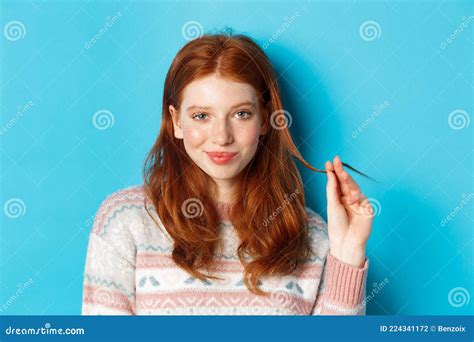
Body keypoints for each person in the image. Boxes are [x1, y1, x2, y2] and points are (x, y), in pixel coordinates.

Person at [81, 32, 375, 315]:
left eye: (241, 114)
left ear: (264, 119)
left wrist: (348, 255)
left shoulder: (313, 236)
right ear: (176, 122)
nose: (221, 137)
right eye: (201, 116)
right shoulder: (125, 221)